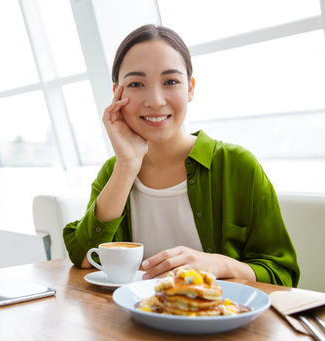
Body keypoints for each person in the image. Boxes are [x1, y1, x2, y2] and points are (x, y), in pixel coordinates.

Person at [63, 24, 299, 287]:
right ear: (117, 93)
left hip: (220, 323)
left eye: (171, 81)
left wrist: (221, 264)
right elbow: (84, 257)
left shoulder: (237, 165)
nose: (155, 100)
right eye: (136, 83)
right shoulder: (115, 171)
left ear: (190, 88)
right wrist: (127, 165)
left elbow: (284, 276)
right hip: (133, 322)